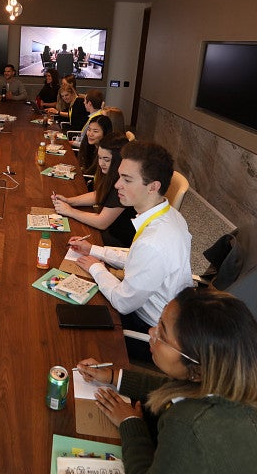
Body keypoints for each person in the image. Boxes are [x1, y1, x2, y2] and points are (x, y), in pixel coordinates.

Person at [76, 287, 257, 473]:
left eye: (162, 334)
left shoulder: (187, 427)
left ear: (196, 369)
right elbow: (170, 388)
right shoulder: (232, 382)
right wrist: (112, 376)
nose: (151, 332)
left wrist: (130, 422)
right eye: (159, 322)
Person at [70, 141, 192, 359]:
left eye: (127, 180)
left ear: (153, 187)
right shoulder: (169, 215)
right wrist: (95, 250)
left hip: (150, 332)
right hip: (166, 314)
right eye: (120, 177)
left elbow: (123, 302)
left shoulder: (154, 241)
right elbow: (138, 257)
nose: (117, 185)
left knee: (73, 323)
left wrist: (97, 269)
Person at [53, 132, 136, 247]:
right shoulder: (112, 174)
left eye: (106, 159)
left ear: (119, 160)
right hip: (107, 232)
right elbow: (98, 194)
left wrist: (70, 211)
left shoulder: (123, 184)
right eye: (100, 158)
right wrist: (69, 201)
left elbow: (102, 222)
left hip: (117, 243)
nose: (101, 163)